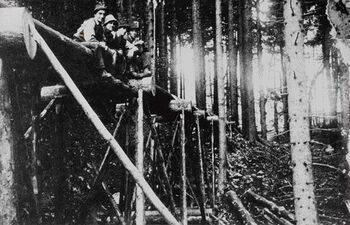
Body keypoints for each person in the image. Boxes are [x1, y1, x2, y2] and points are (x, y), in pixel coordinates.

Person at [73, 4, 120, 84]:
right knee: (97, 46)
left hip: (89, 44)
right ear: (95, 14)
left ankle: (111, 75)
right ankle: (102, 71)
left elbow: (103, 39)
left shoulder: (100, 26)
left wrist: (105, 46)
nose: (102, 16)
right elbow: (90, 38)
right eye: (100, 14)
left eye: (103, 14)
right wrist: (101, 44)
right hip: (79, 42)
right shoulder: (91, 22)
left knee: (110, 51)